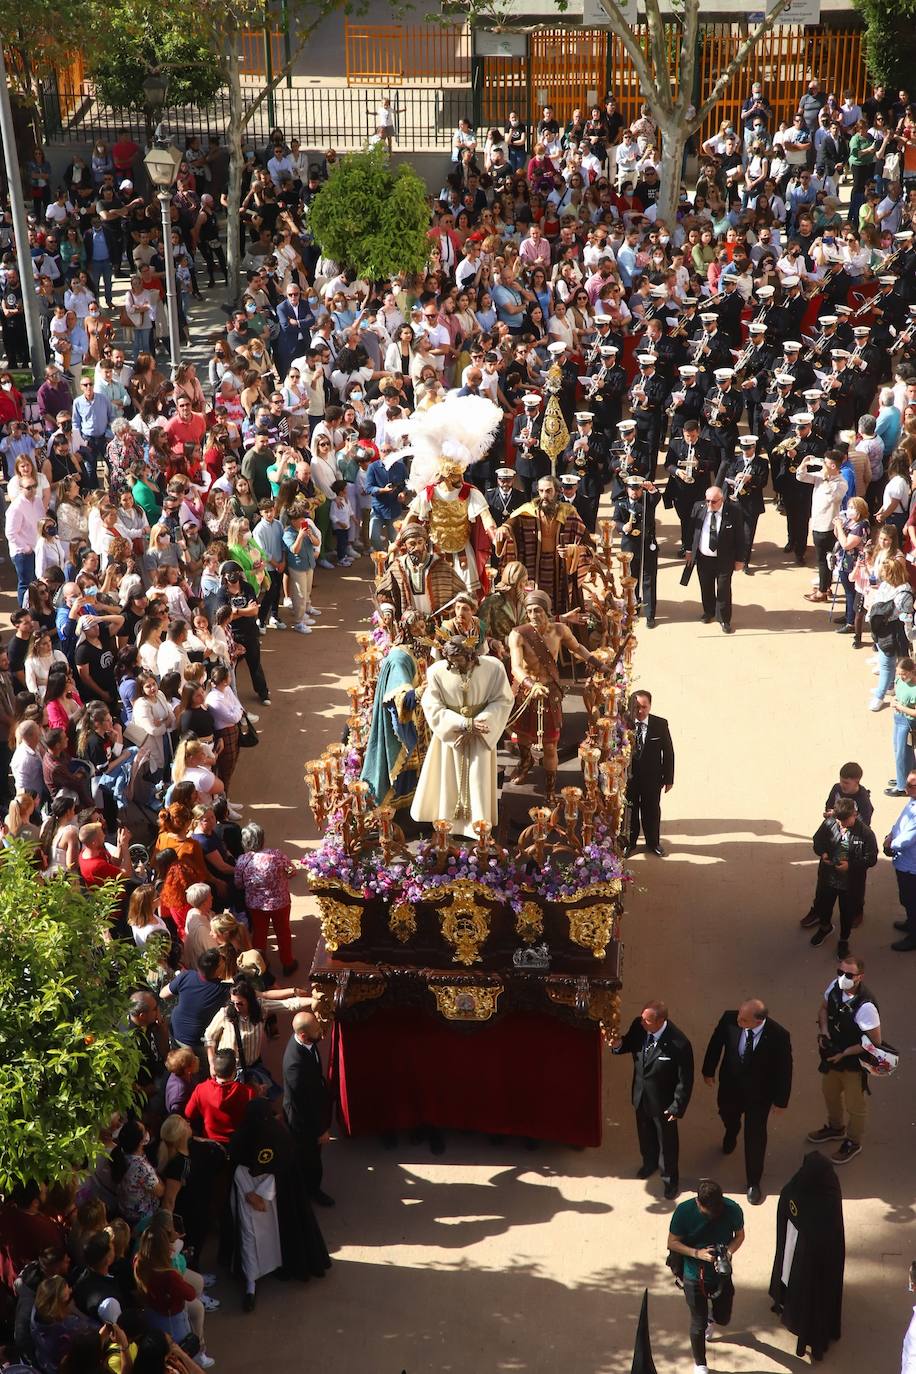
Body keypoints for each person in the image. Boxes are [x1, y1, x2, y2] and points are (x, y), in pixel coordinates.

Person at [226, 1098, 331, 1312]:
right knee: (249, 1238)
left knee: (274, 1234)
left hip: (271, 1196)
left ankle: (277, 1266)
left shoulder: (279, 1135)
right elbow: (236, 1168)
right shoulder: (242, 1138)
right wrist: (249, 1193)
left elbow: (283, 1167)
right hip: (248, 1193)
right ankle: (250, 1284)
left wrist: (263, 1194)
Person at [410, 636, 514, 837]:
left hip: (480, 735)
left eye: (459, 658)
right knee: (448, 779)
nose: (454, 663)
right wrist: (463, 724)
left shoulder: (493, 668)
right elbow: (432, 705)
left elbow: (503, 699)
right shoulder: (437, 672)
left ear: (470, 654)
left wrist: (479, 723)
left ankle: (478, 826)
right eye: (451, 659)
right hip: (451, 737)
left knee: (478, 778)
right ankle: (447, 824)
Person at [507, 590, 602, 800]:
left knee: (550, 745)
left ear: (546, 610)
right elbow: (515, 667)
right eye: (529, 611)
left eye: (538, 610)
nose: (533, 615)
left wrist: (598, 664)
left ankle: (550, 789)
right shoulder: (518, 634)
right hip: (526, 692)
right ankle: (525, 763)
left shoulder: (560, 631)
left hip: (550, 693)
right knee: (522, 737)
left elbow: (577, 648)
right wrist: (531, 685)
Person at [700, 999, 793, 1205]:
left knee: (755, 1137)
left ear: (759, 1020)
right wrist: (708, 1070)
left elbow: (784, 1070)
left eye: (744, 1019)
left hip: (759, 1095)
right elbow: (716, 1043)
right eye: (739, 1016)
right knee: (727, 1114)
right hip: (730, 1087)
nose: (738, 1021)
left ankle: (753, 1181)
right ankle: (731, 1131)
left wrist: (781, 1101)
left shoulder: (778, 1035)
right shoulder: (729, 1019)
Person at [609, 999, 694, 1200]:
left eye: (647, 1020)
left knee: (667, 1143)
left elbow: (685, 1080)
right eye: (643, 1018)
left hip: (664, 1103)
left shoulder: (679, 1044)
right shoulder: (639, 1026)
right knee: (645, 1133)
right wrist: (617, 1045)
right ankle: (649, 1163)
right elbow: (627, 1044)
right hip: (640, 1095)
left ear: (660, 1021)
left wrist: (677, 1107)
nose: (642, 1022)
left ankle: (670, 1180)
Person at [769, 1151, 845, 1362]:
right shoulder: (811, 1184)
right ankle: (786, 1302)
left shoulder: (826, 1194)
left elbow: (794, 1206)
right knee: (792, 1278)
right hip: (798, 1246)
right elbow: (788, 1199)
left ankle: (811, 1332)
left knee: (813, 1293)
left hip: (816, 1258)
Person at [807, 954, 882, 1164]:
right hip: (833, 1057)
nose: (843, 977)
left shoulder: (866, 1007)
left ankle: (853, 1141)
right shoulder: (834, 987)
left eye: (849, 974)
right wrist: (824, 1032)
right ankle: (835, 1127)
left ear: (860, 977)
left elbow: (874, 1042)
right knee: (829, 1092)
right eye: (840, 972)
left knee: (855, 1105)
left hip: (853, 1064)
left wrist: (846, 1052)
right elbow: (823, 1009)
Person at [667, 1179, 745, 1374]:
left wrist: (728, 1252)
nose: (713, 1215)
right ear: (698, 1203)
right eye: (708, 1211)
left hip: (721, 1274)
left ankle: (713, 1319)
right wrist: (697, 1253)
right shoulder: (684, 1211)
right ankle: (700, 1364)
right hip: (694, 1275)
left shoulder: (732, 1209)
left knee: (723, 1318)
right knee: (697, 1321)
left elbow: (740, 1235)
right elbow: (672, 1243)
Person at [804, 797, 879, 956]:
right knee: (823, 906)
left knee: (847, 913)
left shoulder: (866, 834)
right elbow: (818, 840)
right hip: (828, 877)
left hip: (851, 884)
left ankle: (843, 940)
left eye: (845, 820)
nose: (841, 824)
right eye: (839, 821)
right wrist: (823, 852)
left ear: (855, 814)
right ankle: (825, 928)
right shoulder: (829, 823)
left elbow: (871, 858)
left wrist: (850, 866)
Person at [281, 1010, 334, 1206]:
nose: (321, 1033)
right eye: (316, 1031)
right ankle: (311, 1191)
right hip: (302, 1121)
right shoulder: (295, 1064)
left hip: (310, 1107)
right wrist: (320, 1130)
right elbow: (304, 1104)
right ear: (303, 1035)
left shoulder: (306, 1041)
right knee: (309, 1158)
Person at [234, 822, 298, 975]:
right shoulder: (277, 855)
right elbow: (292, 872)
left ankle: (260, 966)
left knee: (260, 934)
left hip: (255, 905)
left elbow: (238, 884)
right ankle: (287, 963)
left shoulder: (242, 860)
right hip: (280, 902)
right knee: (283, 932)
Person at [683, 485, 746, 633]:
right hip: (704, 558)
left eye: (714, 501)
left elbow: (740, 538)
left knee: (723, 589)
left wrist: (740, 559)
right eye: (708, 501)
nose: (710, 504)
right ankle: (709, 611)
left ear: (722, 499)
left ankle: (724, 619)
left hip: (725, 559)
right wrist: (688, 550)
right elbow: (690, 530)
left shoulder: (734, 511)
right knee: (706, 586)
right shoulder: (699, 508)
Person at [625, 689, 674, 858]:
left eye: (644, 707)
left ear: (650, 706)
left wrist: (669, 779)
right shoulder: (624, 724)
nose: (640, 711)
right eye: (637, 707)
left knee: (651, 810)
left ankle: (653, 842)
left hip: (652, 779)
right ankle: (630, 842)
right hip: (629, 778)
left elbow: (668, 752)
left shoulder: (660, 724)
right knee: (630, 810)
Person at [883, 771, 916, 951]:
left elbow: (908, 839)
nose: (905, 788)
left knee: (912, 900)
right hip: (905, 862)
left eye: (911, 786)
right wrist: (891, 834)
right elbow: (900, 823)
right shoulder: (912, 802)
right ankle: (911, 923)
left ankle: (914, 936)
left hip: (912, 866)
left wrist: (891, 845)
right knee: (907, 898)